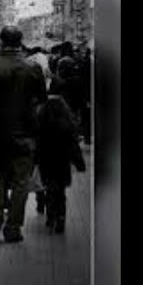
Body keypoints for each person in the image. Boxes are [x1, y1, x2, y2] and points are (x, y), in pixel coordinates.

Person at [0, 26, 47, 243]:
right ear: (20, 42)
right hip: (25, 133)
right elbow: (41, 100)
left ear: (1, 42)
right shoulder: (33, 68)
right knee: (20, 181)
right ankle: (14, 226)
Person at [38, 72, 87, 233]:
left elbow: (36, 146)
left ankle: (50, 214)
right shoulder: (67, 127)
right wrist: (79, 163)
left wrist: (33, 162)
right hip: (62, 163)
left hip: (46, 162)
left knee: (48, 188)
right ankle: (61, 218)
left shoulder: (41, 126)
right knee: (60, 192)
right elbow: (74, 146)